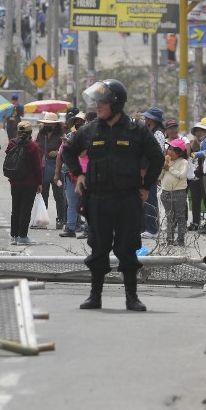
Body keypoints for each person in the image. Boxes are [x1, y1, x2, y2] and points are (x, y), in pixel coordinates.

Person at [61, 79, 164, 312]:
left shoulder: (136, 130)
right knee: (98, 248)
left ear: (116, 104)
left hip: (128, 199)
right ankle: (94, 296)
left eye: (102, 102)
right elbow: (68, 150)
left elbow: (157, 157)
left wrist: (147, 186)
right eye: (96, 101)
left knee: (128, 249)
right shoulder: (90, 129)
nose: (97, 106)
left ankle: (132, 298)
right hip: (98, 199)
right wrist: (78, 175)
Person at [4, 120, 42, 245]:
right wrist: (39, 183)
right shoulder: (33, 146)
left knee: (15, 209)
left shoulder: (11, 143)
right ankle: (22, 237)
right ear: (30, 133)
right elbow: (37, 167)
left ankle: (13, 237)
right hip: (29, 183)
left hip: (14, 182)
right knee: (25, 210)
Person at [56, 111, 88, 238]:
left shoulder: (92, 137)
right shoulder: (68, 136)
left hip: (86, 174)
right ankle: (70, 228)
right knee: (71, 202)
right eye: (77, 122)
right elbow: (60, 155)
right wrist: (56, 173)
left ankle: (88, 228)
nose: (79, 124)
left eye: (82, 122)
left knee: (87, 202)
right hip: (70, 174)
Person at [138, 106, 168, 238]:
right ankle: (146, 227)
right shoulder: (149, 132)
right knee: (144, 198)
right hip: (144, 170)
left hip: (150, 170)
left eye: (148, 118)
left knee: (150, 199)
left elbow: (155, 155)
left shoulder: (158, 134)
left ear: (154, 120)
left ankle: (152, 229)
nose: (145, 120)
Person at [37, 112, 67, 230]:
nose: (48, 125)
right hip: (43, 169)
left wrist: (57, 153)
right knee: (43, 195)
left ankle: (60, 219)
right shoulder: (41, 134)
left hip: (57, 169)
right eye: (46, 123)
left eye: (51, 123)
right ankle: (42, 219)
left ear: (56, 125)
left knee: (59, 196)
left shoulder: (61, 136)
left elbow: (67, 150)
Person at [160, 138, 189, 246]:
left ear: (179, 152)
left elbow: (182, 175)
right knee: (169, 216)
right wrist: (163, 168)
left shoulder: (183, 162)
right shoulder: (167, 162)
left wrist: (169, 169)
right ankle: (170, 239)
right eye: (169, 149)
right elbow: (160, 177)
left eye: (172, 150)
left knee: (180, 217)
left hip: (179, 193)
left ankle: (180, 239)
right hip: (166, 193)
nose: (169, 152)